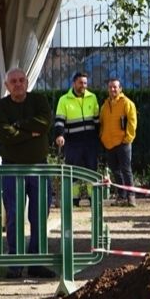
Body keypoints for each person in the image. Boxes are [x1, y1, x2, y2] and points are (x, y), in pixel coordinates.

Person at [0, 67, 51, 272]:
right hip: (12, 168)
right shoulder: (0, 108)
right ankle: (15, 263)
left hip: (39, 167)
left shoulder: (39, 101)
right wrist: (30, 132)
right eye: (13, 81)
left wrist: (18, 126)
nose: (18, 84)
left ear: (27, 82)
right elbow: (5, 135)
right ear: (7, 86)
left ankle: (37, 262)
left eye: (21, 80)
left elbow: (44, 124)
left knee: (39, 214)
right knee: (14, 215)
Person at [53, 71, 100, 206]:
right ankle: (74, 198)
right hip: (73, 141)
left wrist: (99, 137)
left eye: (85, 83)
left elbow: (97, 120)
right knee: (73, 170)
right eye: (80, 83)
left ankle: (93, 198)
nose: (83, 85)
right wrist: (59, 135)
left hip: (90, 141)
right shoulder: (64, 100)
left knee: (92, 170)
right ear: (74, 83)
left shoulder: (93, 97)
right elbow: (59, 121)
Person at [98, 77, 139, 206]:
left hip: (123, 143)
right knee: (115, 171)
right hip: (109, 143)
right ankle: (121, 196)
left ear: (120, 89)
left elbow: (132, 122)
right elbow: (101, 123)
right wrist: (102, 137)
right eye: (110, 87)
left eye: (115, 87)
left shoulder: (127, 103)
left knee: (126, 170)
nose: (112, 89)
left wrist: (128, 138)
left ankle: (131, 197)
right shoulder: (104, 106)